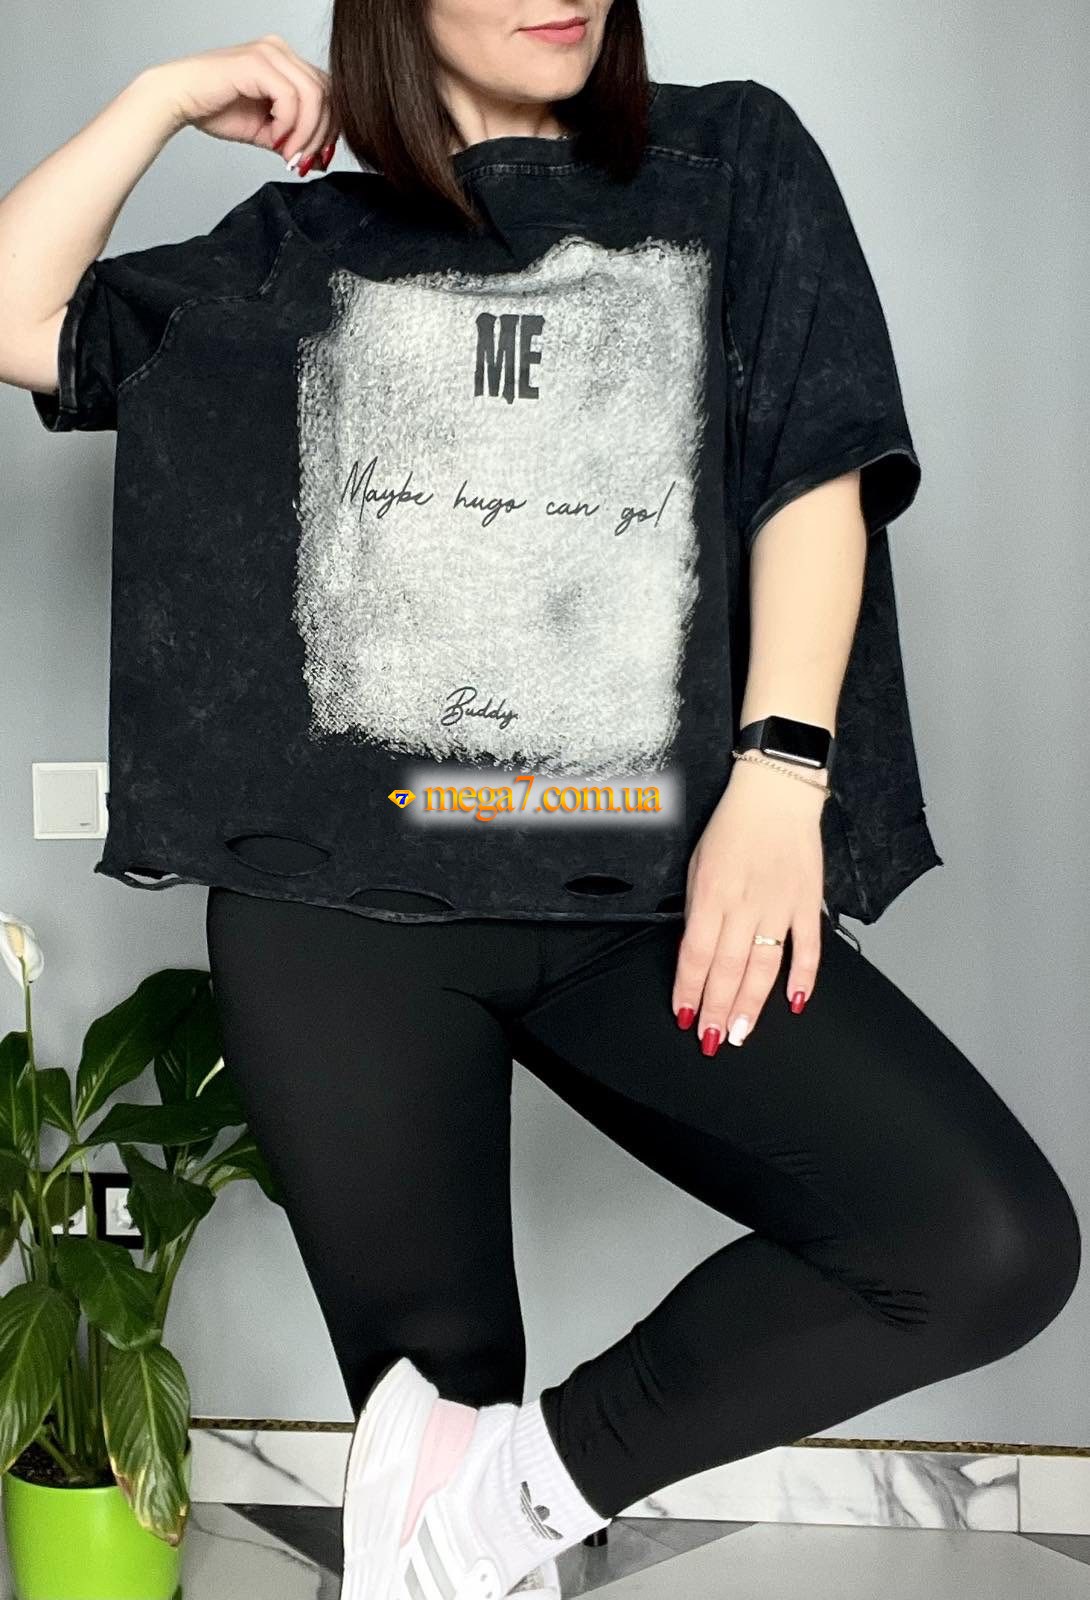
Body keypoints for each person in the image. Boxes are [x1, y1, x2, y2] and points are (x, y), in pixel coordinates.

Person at [1, 5, 1080, 1600]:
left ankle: (522, 1497)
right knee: (444, 1439)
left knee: (972, 1242)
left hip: (646, 897)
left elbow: (817, 468)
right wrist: (161, 96)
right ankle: (478, 1524)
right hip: (340, 917)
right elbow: (19, 317)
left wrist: (780, 778)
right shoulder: (300, 249)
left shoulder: (731, 160)